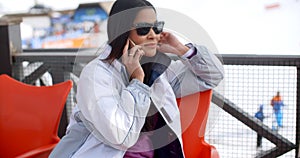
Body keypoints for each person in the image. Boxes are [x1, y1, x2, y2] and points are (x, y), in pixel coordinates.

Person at [50, 0, 224, 157]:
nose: (152, 35)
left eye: (156, 27)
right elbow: (122, 137)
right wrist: (137, 82)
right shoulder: (96, 75)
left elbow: (212, 76)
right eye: (143, 29)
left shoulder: (158, 70)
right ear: (122, 31)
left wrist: (181, 49)